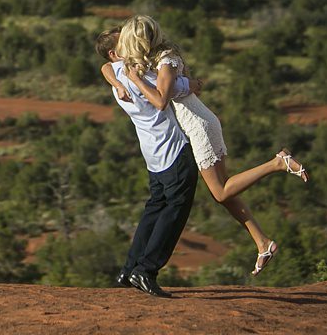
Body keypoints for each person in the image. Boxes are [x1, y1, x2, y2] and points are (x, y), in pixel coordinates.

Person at [113, 15, 309, 276]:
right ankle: (263, 242)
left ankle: (277, 163)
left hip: (198, 125)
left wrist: (135, 81)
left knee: (221, 192)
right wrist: (118, 79)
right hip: (200, 122)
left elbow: (161, 100)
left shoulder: (166, 61)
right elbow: (107, 65)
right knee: (225, 192)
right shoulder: (152, 61)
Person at [97, 30, 199, 297]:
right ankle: (146, 270)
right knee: (175, 211)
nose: (133, 40)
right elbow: (181, 88)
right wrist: (191, 83)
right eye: (125, 41)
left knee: (155, 209)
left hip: (153, 156)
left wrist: (118, 83)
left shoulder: (118, 74)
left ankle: (129, 268)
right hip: (174, 150)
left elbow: (105, 67)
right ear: (116, 53)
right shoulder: (142, 77)